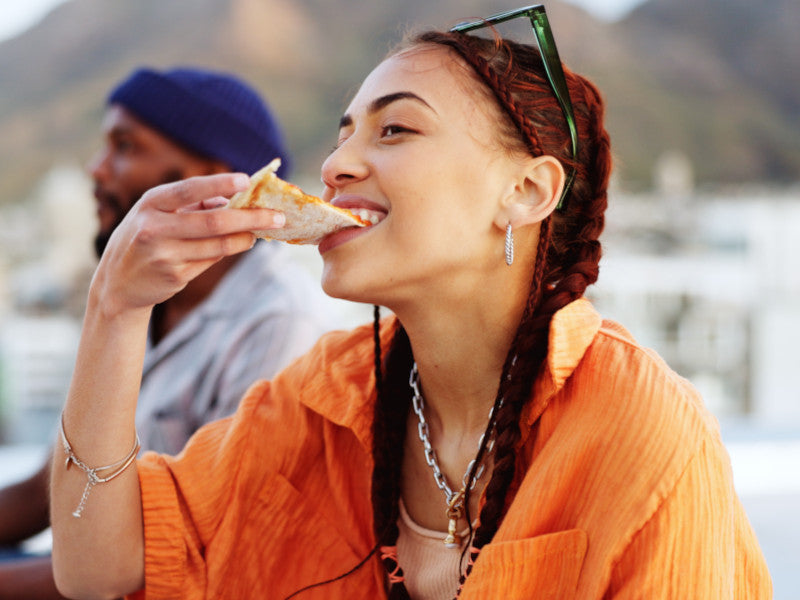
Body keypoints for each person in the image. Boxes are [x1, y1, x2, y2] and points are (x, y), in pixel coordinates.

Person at [50, 7, 772, 599]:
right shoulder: (321, 400)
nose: (334, 166)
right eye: (343, 135)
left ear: (526, 191)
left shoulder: (641, 429)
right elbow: (97, 570)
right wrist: (115, 307)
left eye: (395, 129)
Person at [0, 66, 333, 599]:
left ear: (216, 180)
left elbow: (201, 554)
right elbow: (51, 487)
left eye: (124, 146)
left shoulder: (279, 325)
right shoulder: (137, 305)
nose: (96, 168)